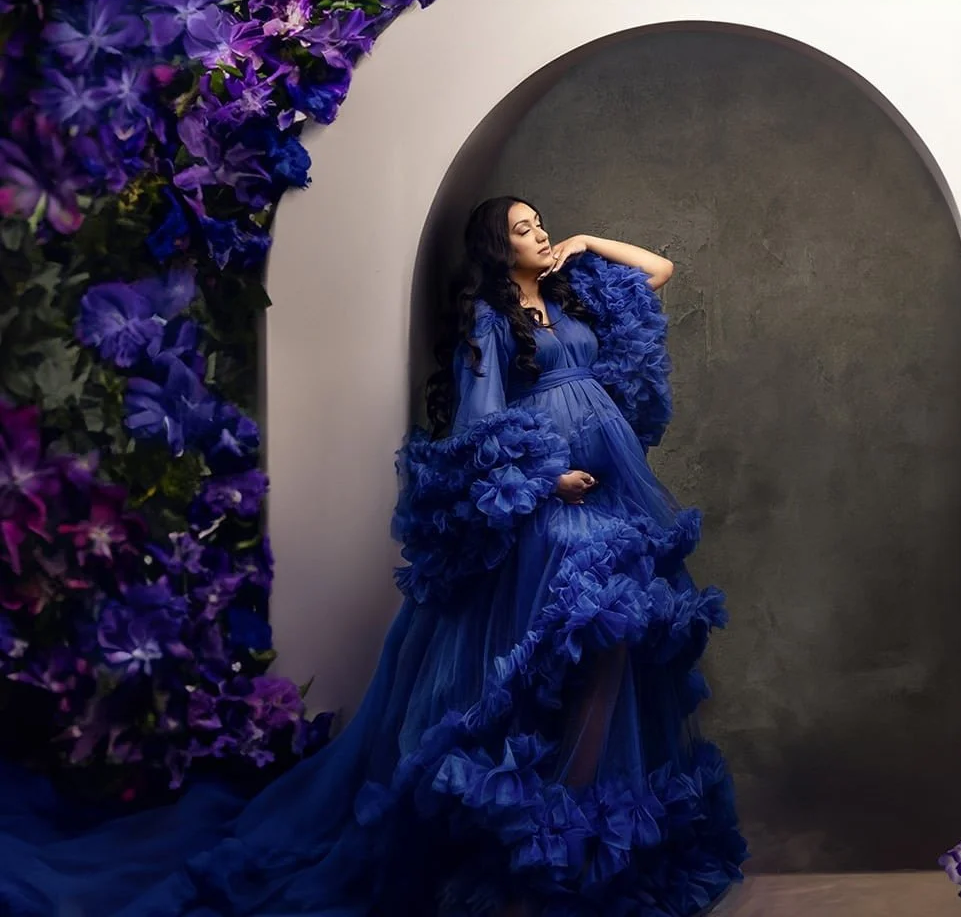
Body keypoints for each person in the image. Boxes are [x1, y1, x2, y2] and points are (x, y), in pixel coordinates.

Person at [0, 197, 746, 917]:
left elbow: (659, 270)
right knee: (575, 646)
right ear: (497, 249)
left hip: (613, 489)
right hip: (553, 501)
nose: (540, 235)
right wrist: (545, 479)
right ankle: (542, 847)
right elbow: (480, 425)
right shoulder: (490, 323)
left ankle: (582, 833)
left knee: (619, 643)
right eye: (524, 229)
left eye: (539, 223)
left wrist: (583, 241)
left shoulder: (575, 291)